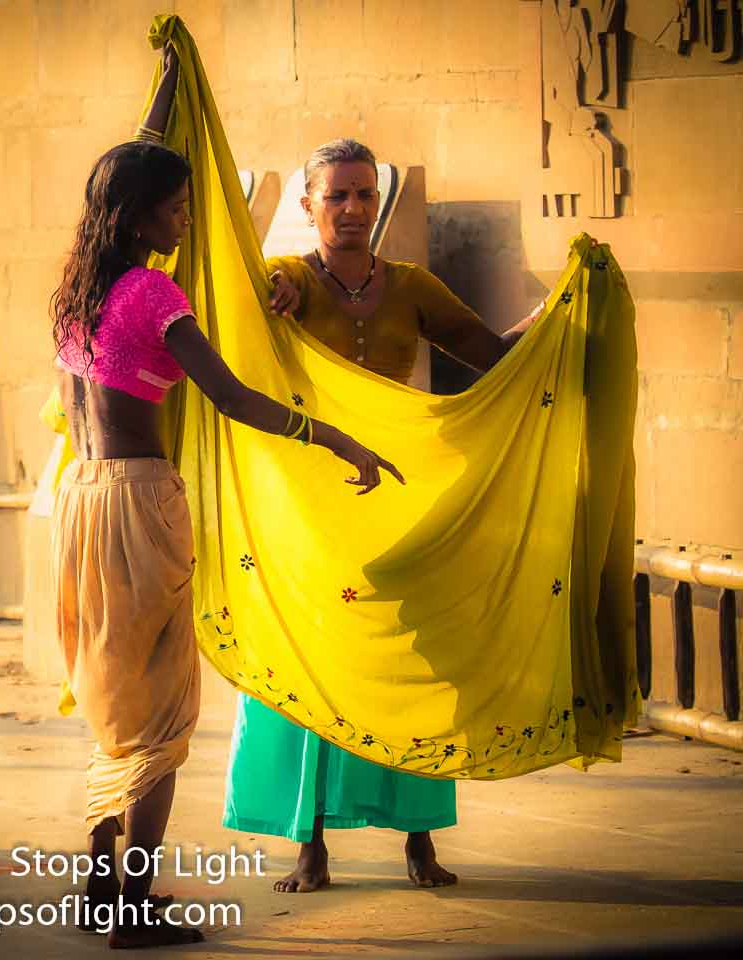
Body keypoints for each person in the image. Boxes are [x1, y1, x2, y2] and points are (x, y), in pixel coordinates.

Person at [49, 72, 405, 947]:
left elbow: (116, 174)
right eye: (173, 209)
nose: (185, 221)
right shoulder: (154, 298)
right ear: (138, 218)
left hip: (79, 504)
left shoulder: (77, 294)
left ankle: (100, 886)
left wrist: (165, 90)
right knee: (163, 716)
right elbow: (237, 398)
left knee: (108, 702)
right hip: (140, 504)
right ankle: (131, 909)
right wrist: (339, 440)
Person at [225, 137, 547, 894]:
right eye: (335, 195)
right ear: (308, 206)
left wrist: (552, 318)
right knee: (316, 661)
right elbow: (250, 326)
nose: (351, 208)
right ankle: (310, 845)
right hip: (311, 508)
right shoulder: (288, 281)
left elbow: (491, 355)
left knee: (413, 658)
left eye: (364, 194)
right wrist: (274, 302)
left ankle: (419, 840)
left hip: (397, 498)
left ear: (379, 202)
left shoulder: (411, 287)